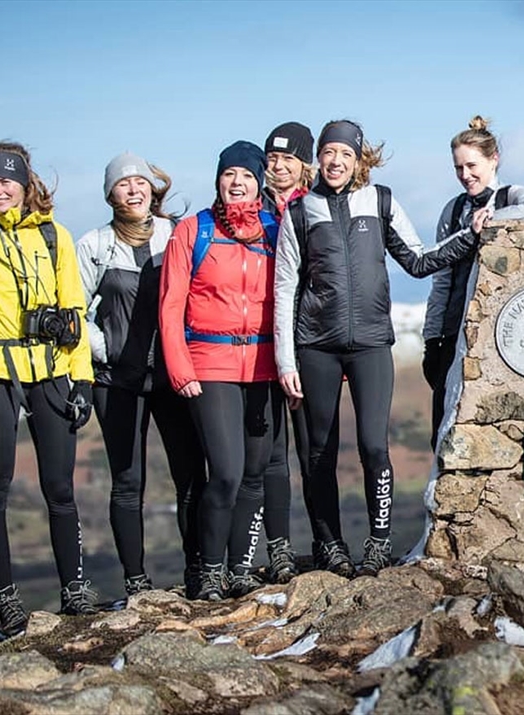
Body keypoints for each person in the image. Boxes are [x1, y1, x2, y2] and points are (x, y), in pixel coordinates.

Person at [273, 119, 481, 578]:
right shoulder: (300, 212)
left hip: (370, 342)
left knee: (373, 446)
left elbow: (418, 259)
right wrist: (286, 360)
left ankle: (378, 543)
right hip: (316, 346)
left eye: (345, 154)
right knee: (319, 454)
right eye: (328, 153)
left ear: (358, 159)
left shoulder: (380, 201)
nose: (335, 161)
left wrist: (469, 236)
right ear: (318, 159)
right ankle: (331, 546)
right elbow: (285, 288)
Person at [0, 141, 98, 634]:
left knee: (60, 487)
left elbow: (74, 313)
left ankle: (75, 590)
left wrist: (82, 378)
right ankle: (7, 601)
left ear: (24, 182)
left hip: (52, 372)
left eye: (5, 181)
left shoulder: (56, 237)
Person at [77, 153, 207, 598]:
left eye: (140, 182)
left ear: (154, 190)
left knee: (190, 476)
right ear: (110, 194)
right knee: (128, 482)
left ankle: (197, 569)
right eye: (123, 184)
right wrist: (104, 348)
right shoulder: (94, 245)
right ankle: (135, 580)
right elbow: (75, 310)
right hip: (117, 381)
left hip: (173, 377)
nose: (133, 189)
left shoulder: (176, 236)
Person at [159, 140, 284, 601]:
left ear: (259, 184)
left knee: (255, 472)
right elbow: (170, 306)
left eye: (246, 176)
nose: (237, 183)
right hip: (208, 363)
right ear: (218, 181)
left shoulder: (277, 230)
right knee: (227, 472)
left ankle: (240, 568)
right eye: (229, 175)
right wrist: (179, 367)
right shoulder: (193, 231)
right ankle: (210, 571)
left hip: (264, 363)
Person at [422, 116, 524, 448]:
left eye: (472, 165)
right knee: (443, 433)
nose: (465, 175)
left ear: (494, 160)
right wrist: (431, 336)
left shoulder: (510, 196)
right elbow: (441, 281)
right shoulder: (452, 210)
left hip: (497, 333)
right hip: (451, 330)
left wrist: (491, 221)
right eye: (458, 168)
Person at [251, 121, 319, 585]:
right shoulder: (249, 213)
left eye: (287, 159)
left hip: (309, 344)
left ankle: (324, 542)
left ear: (304, 165)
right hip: (259, 347)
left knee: (314, 450)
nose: (278, 167)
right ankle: (278, 550)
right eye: (272, 159)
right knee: (272, 455)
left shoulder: (315, 210)